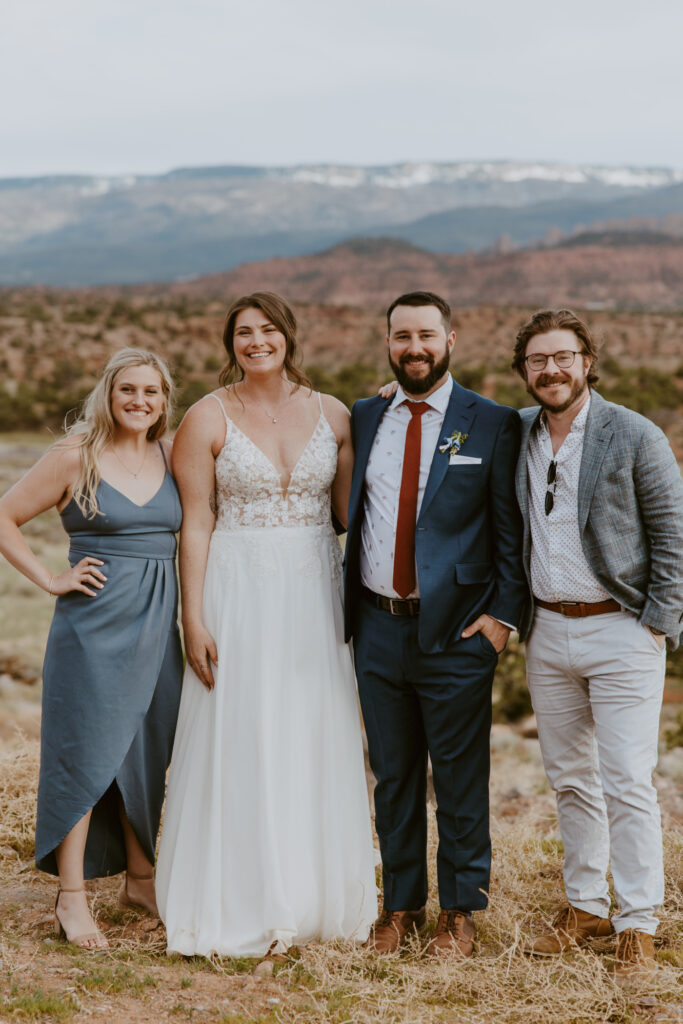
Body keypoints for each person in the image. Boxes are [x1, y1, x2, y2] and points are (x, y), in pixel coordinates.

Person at [155, 291, 377, 958]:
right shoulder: (205, 417)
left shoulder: (333, 413)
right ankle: (241, 898)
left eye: (267, 329)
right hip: (237, 590)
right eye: (243, 333)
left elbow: (347, 515)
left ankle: (312, 898)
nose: (256, 341)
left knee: (312, 726)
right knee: (244, 728)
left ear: (288, 336)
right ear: (230, 345)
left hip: (313, 589)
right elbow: (195, 524)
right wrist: (191, 617)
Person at [344, 291, 527, 958]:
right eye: (401, 337)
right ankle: (398, 907)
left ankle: (458, 910)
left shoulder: (491, 421)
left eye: (425, 335)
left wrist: (502, 618)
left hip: (457, 632)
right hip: (377, 625)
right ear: (386, 342)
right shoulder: (365, 416)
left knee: (457, 775)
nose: (412, 348)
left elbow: (510, 530)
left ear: (450, 339)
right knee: (392, 774)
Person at [512, 309, 683, 985]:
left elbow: (672, 535)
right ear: (523, 370)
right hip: (546, 630)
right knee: (569, 779)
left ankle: (637, 922)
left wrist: (655, 623)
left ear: (586, 360)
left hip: (621, 628)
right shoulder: (518, 432)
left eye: (563, 356)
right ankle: (584, 906)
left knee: (626, 781)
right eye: (536, 360)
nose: (550, 370)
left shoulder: (633, 432)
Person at [0, 348, 183, 949]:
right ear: (108, 394)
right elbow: (4, 516)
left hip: (160, 625)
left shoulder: (171, 451)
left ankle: (141, 878)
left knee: (147, 748)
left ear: (164, 399)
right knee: (83, 753)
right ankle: (71, 897)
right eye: (128, 389)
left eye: (151, 392)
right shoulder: (74, 455)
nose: (140, 401)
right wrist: (51, 579)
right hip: (92, 628)